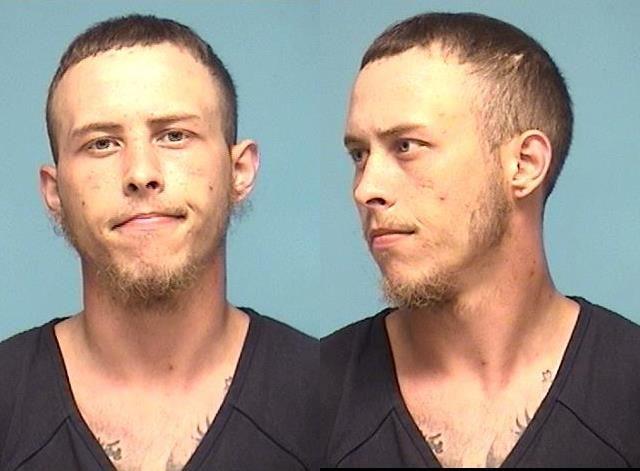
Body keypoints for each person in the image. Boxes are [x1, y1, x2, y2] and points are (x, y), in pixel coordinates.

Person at [321, 12, 640, 468]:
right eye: (359, 154)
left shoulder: (629, 392)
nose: (366, 188)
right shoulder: (311, 398)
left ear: (524, 164)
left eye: (406, 146)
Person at [0, 14, 316, 470]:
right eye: (102, 144)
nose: (141, 173)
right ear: (55, 192)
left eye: (174, 136)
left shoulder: (324, 398)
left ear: (239, 171)